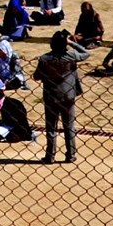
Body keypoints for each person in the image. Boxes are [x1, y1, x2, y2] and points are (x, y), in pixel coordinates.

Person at [34, 29, 85, 164]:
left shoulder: (45, 59)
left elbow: (36, 76)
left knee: (51, 127)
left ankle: (50, 156)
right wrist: (71, 42)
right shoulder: (71, 56)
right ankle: (71, 155)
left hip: (51, 96)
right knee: (69, 126)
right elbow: (86, 53)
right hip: (68, 95)